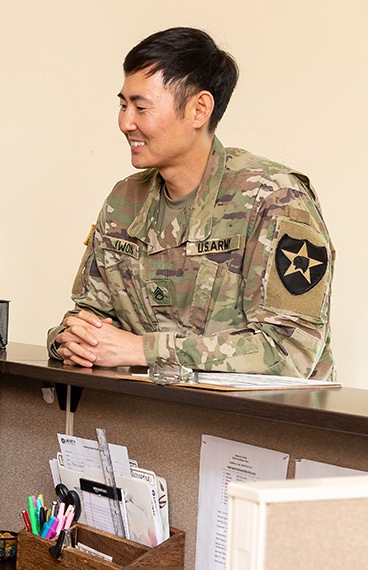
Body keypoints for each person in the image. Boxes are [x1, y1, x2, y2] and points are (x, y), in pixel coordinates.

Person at [48, 27, 334, 380]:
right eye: (122, 105)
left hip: (266, 426)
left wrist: (143, 349)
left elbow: (289, 353)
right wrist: (70, 339)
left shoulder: (274, 199)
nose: (125, 123)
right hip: (165, 422)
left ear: (199, 109)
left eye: (140, 107)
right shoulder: (123, 201)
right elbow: (90, 316)